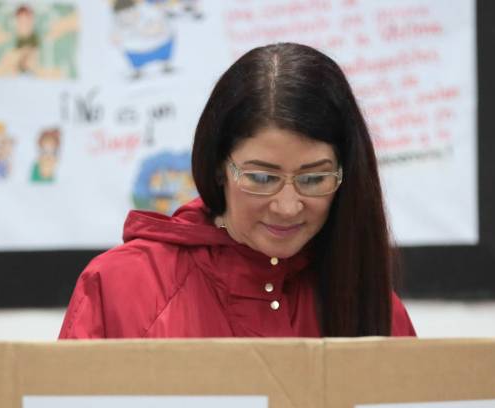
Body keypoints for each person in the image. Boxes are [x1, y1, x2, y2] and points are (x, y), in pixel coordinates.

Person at [59, 42, 416, 339]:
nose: (288, 206)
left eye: (313, 179)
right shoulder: (120, 287)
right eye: (261, 178)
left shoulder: (370, 302)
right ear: (219, 168)